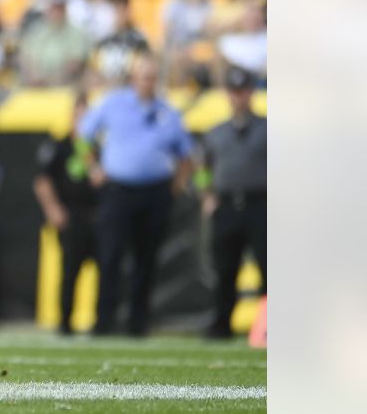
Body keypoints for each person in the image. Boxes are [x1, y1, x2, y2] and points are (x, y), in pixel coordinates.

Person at [80, 54, 192, 336]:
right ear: (133, 78)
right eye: (144, 77)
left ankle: (138, 323)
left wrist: (175, 187)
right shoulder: (113, 103)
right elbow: (82, 136)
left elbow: (186, 155)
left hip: (155, 192)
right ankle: (103, 321)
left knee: (147, 259)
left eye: (153, 78)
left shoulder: (168, 111)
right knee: (110, 256)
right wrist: (93, 167)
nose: (148, 83)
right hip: (118, 190)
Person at [198, 67, 267, 339]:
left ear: (251, 93)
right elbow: (203, 167)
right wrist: (206, 195)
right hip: (227, 205)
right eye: (235, 92)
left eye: (244, 91)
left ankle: (268, 327)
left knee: (268, 267)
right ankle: (220, 325)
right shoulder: (216, 133)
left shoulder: (267, 127)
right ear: (229, 95)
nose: (240, 97)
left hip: (260, 204)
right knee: (225, 268)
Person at [33, 93, 100, 336]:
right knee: (70, 270)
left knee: (106, 270)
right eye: (79, 116)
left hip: (97, 216)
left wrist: (91, 160)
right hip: (72, 215)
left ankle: (101, 322)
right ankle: (65, 322)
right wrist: (54, 210)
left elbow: (102, 179)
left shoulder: (98, 148)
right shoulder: (59, 146)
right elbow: (43, 180)